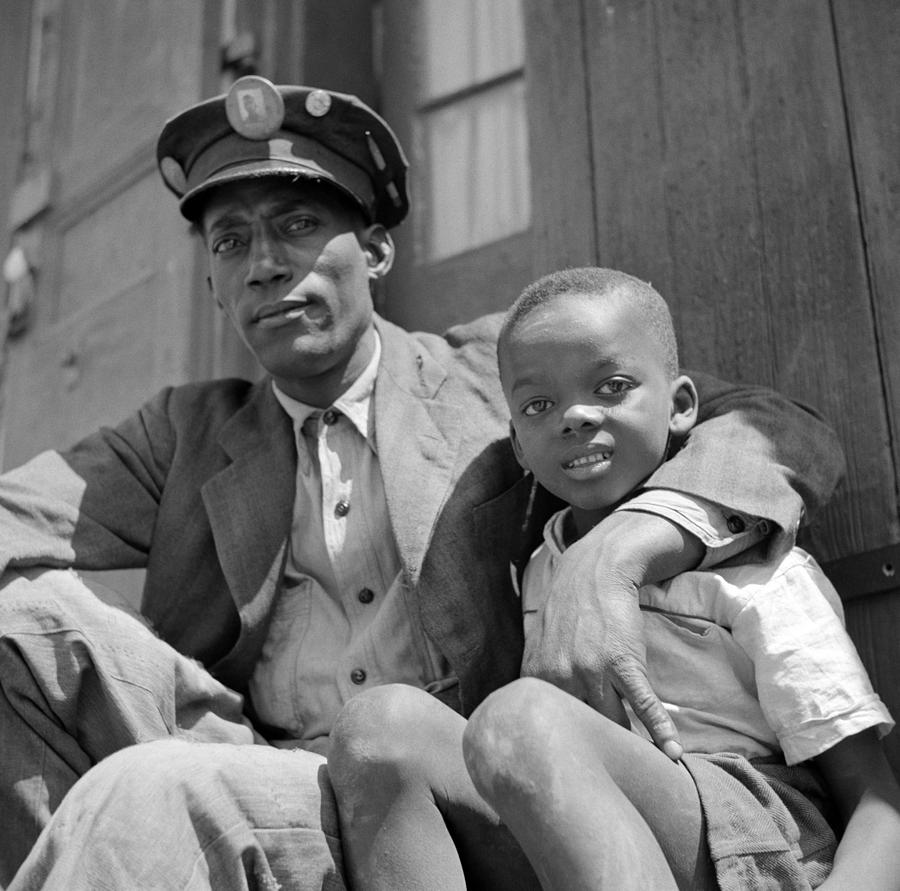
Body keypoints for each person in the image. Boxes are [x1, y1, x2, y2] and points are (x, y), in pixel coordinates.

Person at [0, 74, 843, 890]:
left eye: (296, 223)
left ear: (374, 250)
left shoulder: (493, 374)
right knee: (20, 625)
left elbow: (779, 429)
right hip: (267, 765)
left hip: (456, 776)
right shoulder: (180, 433)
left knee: (142, 794)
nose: (263, 264)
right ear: (217, 288)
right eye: (231, 242)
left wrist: (621, 549)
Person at [328, 268, 900, 891]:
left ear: (682, 406)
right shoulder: (539, 569)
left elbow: (874, 799)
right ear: (518, 445)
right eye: (539, 405)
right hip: (577, 830)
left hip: (753, 832)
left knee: (518, 720)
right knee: (376, 726)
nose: (574, 415)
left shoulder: (756, 572)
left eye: (612, 386)